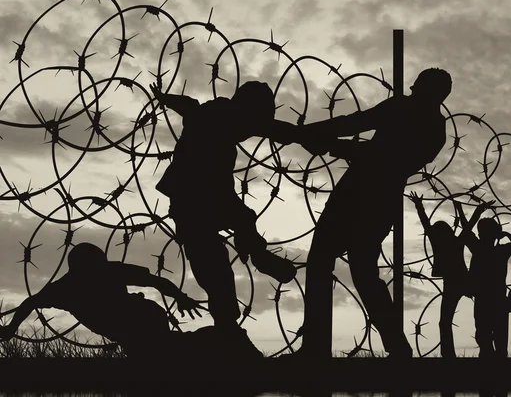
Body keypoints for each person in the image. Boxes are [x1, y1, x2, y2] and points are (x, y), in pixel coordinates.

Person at [282, 67, 452, 360]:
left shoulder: (407, 110)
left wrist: (322, 137)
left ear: (426, 91)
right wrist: (328, 139)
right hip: (381, 200)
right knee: (361, 271)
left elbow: (366, 133)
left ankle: (316, 347)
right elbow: (384, 150)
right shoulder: (436, 130)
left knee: (326, 260)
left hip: (362, 192)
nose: (411, 90)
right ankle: (395, 347)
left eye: (418, 88)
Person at [150, 81, 300, 353]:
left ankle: (252, 265)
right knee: (216, 259)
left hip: (202, 195)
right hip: (197, 197)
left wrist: (164, 98)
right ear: (250, 108)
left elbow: (189, 106)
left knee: (232, 233)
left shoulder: (216, 113)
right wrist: (314, 137)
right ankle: (230, 324)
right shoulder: (230, 117)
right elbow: (274, 129)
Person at [0, 243, 251, 358]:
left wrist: (180, 296)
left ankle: (231, 343)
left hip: (143, 319)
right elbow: (30, 303)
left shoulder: (70, 286)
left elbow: (30, 303)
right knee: (170, 350)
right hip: (136, 323)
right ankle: (231, 342)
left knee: (167, 351)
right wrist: (180, 297)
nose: (99, 270)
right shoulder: (73, 285)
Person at [408, 195, 491, 357]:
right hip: (465, 281)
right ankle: (485, 348)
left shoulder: (438, 242)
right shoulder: (455, 241)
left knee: (445, 321)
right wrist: (477, 209)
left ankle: (449, 354)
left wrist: (419, 206)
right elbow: (469, 226)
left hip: (452, 283)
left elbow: (426, 224)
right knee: (481, 310)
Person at [462, 214, 511, 358]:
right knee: (500, 340)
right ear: (496, 234)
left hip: (482, 299)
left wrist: (462, 210)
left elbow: (467, 231)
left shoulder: (478, 248)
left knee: (484, 338)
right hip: (498, 299)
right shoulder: (501, 251)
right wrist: (507, 233)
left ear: (480, 233)